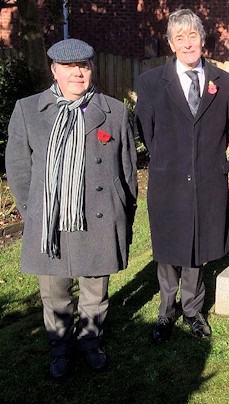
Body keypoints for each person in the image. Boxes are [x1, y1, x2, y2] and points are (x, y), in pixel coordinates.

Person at [5, 38, 138, 379]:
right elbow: (19, 169)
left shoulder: (114, 111)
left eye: (84, 66)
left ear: (91, 69)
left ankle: (90, 343)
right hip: (51, 223)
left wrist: (122, 212)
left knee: (94, 294)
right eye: (69, 67)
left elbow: (127, 171)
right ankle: (60, 349)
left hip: (98, 219)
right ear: (54, 70)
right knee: (55, 295)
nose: (78, 72)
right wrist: (35, 212)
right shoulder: (28, 110)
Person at [135, 9, 229, 342]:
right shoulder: (150, 83)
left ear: (203, 40)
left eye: (193, 35)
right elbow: (147, 133)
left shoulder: (225, 82)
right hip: (169, 178)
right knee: (167, 248)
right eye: (180, 37)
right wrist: (171, 160)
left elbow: (222, 128)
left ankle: (192, 310)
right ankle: (166, 312)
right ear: (171, 43)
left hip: (208, 179)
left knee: (197, 248)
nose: (188, 43)